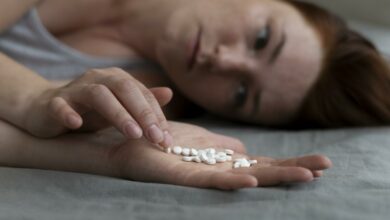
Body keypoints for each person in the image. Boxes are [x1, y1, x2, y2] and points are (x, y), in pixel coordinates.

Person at [3, 0, 386, 189]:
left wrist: (108, 154)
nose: (223, 61)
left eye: (240, 94)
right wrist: (35, 97)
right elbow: (33, 105)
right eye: (261, 39)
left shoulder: (148, 104)